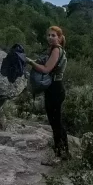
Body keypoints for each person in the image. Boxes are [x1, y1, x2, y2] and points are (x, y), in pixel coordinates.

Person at [27, 26, 69, 159]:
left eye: (54, 35)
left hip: (56, 89)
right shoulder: (52, 50)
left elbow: (46, 69)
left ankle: (61, 154)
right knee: (54, 121)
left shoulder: (56, 50)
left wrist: (30, 62)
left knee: (56, 122)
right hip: (53, 88)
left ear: (60, 38)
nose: (50, 38)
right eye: (49, 35)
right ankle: (63, 152)